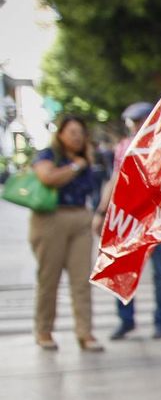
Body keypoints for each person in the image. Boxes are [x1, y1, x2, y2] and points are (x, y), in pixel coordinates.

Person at [101, 101, 161, 340]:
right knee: (123, 267)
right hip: (128, 217)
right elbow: (116, 179)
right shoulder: (125, 147)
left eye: (140, 121)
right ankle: (125, 319)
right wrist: (102, 211)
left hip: (156, 217)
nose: (136, 126)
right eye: (134, 122)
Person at [29, 113, 104, 351]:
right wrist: (75, 166)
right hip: (51, 217)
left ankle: (85, 332)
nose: (77, 137)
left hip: (80, 216)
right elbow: (47, 177)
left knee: (81, 280)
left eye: (81, 132)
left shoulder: (88, 159)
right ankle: (44, 330)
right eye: (72, 132)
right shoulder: (48, 155)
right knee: (48, 278)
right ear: (60, 134)